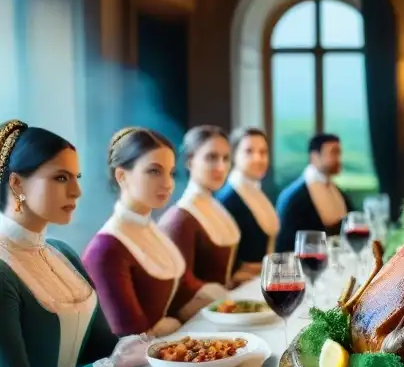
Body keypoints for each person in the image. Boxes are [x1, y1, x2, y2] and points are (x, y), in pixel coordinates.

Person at [0, 120, 148, 367]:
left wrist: (148, 349)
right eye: (61, 178)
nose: (78, 191)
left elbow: (101, 344)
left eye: (77, 177)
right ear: (17, 184)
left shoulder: (61, 252)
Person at [83, 128, 226, 337]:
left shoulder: (152, 231)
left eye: (171, 173)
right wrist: (173, 324)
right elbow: (132, 339)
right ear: (122, 176)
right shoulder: (105, 250)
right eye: (154, 171)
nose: (168, 184)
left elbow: (187, 292)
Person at [159, 126, 246, 289]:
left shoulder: (216, 208)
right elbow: (181, 286)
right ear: (190, 161)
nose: (220, 167)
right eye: (211, 157)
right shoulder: (181, 218)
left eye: (226, 158)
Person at [275, 133, 354, 253]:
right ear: (314, 157)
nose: (338, 159)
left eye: (339, 153)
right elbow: (286, 245)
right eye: (333, 152)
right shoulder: (294, 197)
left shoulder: (338, 191)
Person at [216, 126, 279, 277]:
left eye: (263, 152)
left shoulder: (258, 191)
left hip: (264, 278)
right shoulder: (227, 199)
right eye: (248, 152)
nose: (258, 159)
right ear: (233, 155)